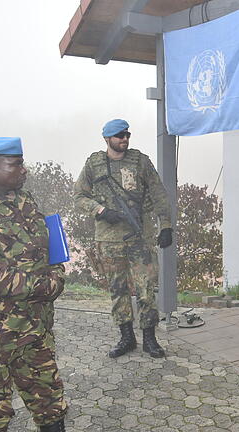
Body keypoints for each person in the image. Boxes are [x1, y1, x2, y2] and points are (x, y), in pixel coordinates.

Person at [0, 137, 67, 432]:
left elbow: (46, 247)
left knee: (51, 406)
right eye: (16, 163)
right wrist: (50, 286)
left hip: (34, 332)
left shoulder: (26, 201)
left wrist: (56, 269)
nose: (24, 170)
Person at [74, 119, 173, 359]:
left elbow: (159, 193)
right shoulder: (94, 164)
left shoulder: (140, 161)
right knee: (118, 289)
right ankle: (126, 337)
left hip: (139, 235)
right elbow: (79, 196)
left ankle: (150, 338)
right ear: (107, 138)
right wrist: (100, 210)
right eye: (119, 136)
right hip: (109, 239)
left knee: (146, 288)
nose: (124, 140)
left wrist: (166, 225)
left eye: (127, 135)